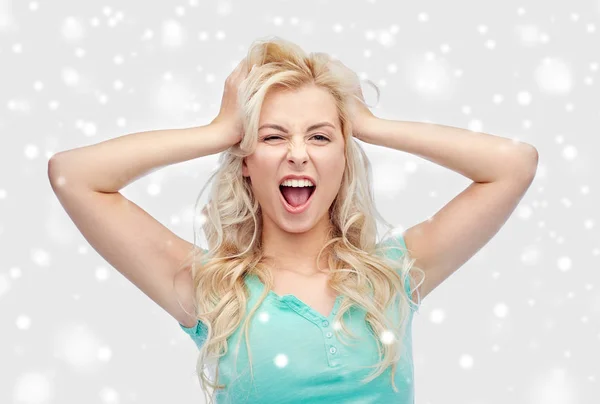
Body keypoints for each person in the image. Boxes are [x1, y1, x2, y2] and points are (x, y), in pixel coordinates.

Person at [48, 35, 537, 403]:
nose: (298, 155)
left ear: (344, 159)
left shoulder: (394, 272)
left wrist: (369, 125)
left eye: (321, 138)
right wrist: (218, 129)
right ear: (245, 160)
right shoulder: (212, 289)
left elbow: (514, 165)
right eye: (274, 136)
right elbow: (73, 176)